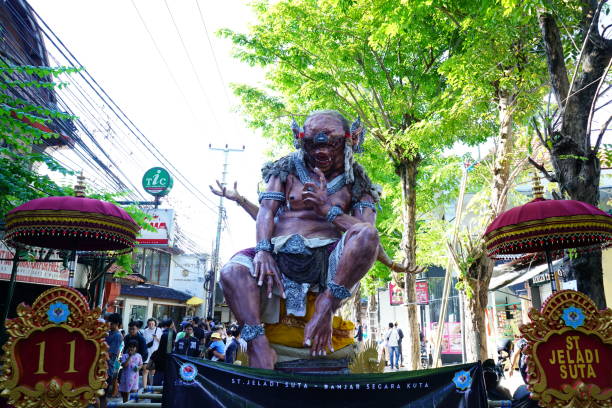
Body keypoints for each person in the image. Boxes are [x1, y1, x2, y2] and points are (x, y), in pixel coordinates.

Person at [218, 110, 387, 370]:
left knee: (367, 235)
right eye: (312, 144)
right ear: (301, 141)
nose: (321, 152)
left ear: (349, 140)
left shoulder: (357, 181)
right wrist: (263, 250)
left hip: (329, 258)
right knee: (231, 271)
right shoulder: (285, 170)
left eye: (330, 144)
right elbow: (267, 211)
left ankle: (325, 306)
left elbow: (366, 231)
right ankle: (257, 344)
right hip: (278, 251)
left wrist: (328, 210)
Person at [100, 313, 123, 408]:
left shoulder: (117, 335)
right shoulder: (109, 332)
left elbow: (111, 353)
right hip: (102, 366)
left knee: (102, 395)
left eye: (111, 323)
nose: (109, 324)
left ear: (117, 323)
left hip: (108, 368)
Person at [151, 319, 176, 386]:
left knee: (158, 373)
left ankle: (155, 388)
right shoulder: (170, 333)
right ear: (171, 324)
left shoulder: (163, 332)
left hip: (160, 357)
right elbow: (169, 349)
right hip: (166, 358)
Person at [142, 318, 162, 388]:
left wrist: (156, 338)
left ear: (155, 324)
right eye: (149, 324)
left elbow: (162, 342)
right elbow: (143, 342)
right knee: (145, 370)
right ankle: (144, 387)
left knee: (152, 372)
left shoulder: (159, 330)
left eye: (152, 324)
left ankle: (151, 387)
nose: (151, 325)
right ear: (147, 324)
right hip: (147, 353)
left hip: (155, 353)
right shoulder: (145, 331)